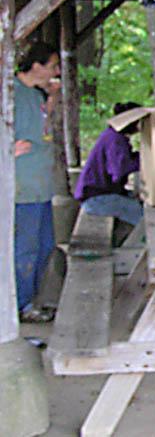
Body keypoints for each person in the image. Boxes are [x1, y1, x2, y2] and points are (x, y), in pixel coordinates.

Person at [14, 42, 60, 323]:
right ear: (36, 65)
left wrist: (52, 100)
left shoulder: (36, 95)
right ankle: (20, 306)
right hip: (21, 188)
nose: (56, 71)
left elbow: (42, 128)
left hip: (41, 186)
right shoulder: (10, 92)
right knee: (25, 251)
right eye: (53, 65)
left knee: (45, 246)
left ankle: (28, 300)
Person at [74, 102, 144, 226]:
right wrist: (142, 161)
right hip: (97, 198)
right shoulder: (115, 140)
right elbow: (118, 170)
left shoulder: (112, 136)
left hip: (97, 195)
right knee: (145, 218)